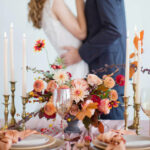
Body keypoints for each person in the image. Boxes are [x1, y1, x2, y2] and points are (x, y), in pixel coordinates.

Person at [61, 0, 126, 120]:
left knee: (111, 129)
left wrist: (80, 54)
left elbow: (113, 29)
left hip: (108, 69)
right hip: (104, 65)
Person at [28, 0, 89, 79]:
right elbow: (82, 33)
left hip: (67, 66)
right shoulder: (55, 2)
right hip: (76, 67)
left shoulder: (45, 6)